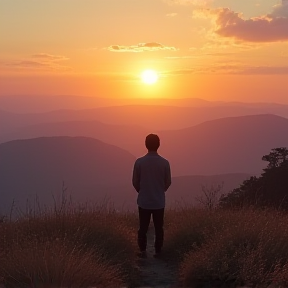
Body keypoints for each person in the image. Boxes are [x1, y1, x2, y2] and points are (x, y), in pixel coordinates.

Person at [132, 134, 171, 258]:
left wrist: (142, 191)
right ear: (159, 145)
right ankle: (158, 251)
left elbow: (135, 181)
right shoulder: (165, 163)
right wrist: (160, 190)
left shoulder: (139, 162)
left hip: (144, 200)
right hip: (159, 201)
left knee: (143, 227)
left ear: (146, 145)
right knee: (159, 228)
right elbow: (168, 182)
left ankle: (142, 251)